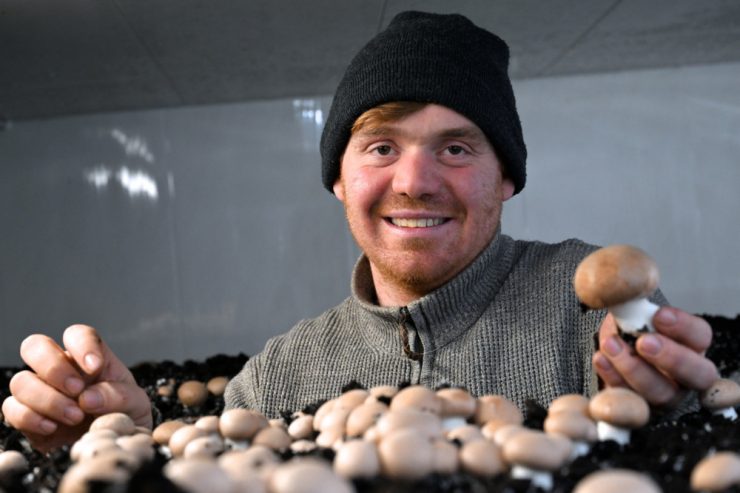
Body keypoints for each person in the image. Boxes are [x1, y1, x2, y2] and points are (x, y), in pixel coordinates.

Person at [2, 11, 718, 453]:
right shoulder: (274, 379)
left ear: (506, 178)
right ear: (340, 179)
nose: (414, 181)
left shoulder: (587, 310)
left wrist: (678, 416)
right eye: (380, 147)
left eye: (457, 147)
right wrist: (117, 444)